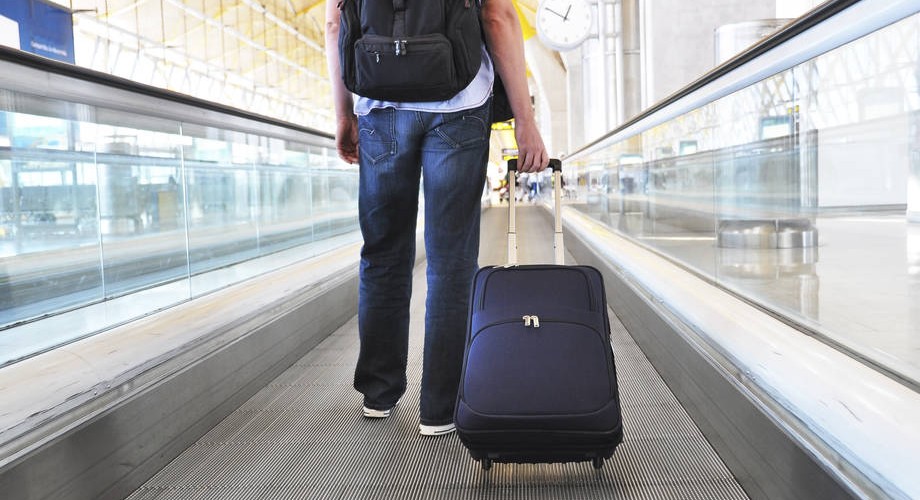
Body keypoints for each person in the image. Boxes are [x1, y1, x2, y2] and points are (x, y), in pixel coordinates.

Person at [324, 0, 548, 437]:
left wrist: (342, 113)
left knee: (384, 253)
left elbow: (334, 22)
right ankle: (440, 408)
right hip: (459, 106)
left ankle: (379, 393)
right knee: (450, 260)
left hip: (379, 106)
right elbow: (498, 16)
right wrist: (525, 120)